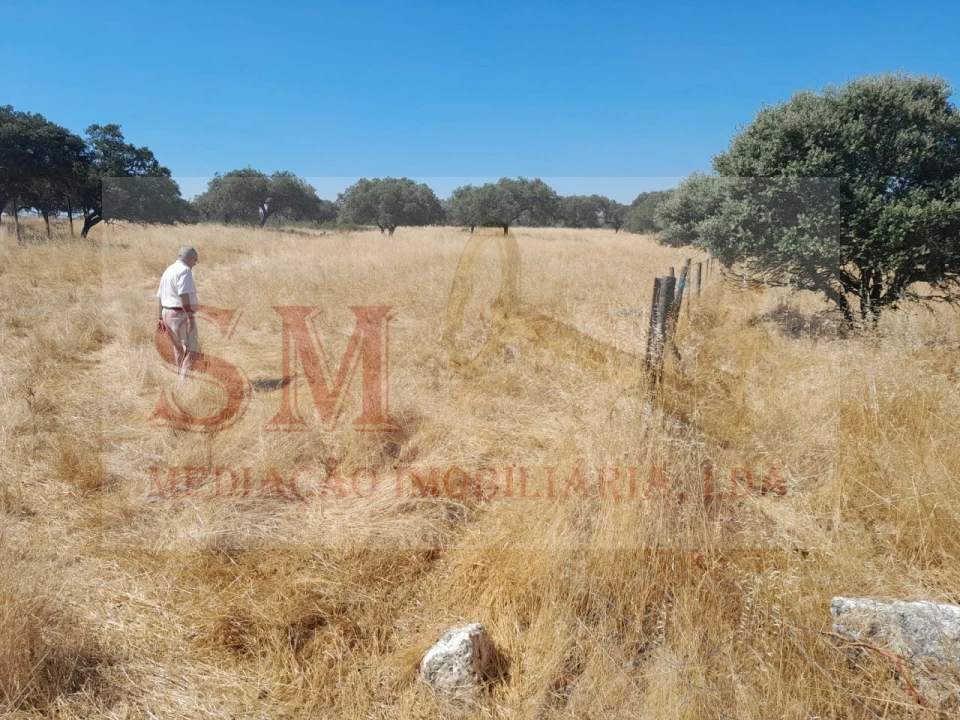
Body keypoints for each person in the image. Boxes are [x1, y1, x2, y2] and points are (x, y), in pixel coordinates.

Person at [156, 246, 200, 380]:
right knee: (192, 349)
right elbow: (183, 295)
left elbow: (160, 296)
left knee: (178, 349)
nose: (194, 264)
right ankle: (184, 381)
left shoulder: (168, 270)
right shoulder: (185, 270)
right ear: (190, 258)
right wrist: (190, 317)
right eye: (195, 261)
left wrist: (160, 318)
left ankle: (179, 378)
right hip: (180, 314)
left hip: (166, 313)